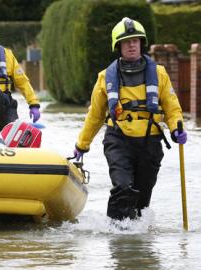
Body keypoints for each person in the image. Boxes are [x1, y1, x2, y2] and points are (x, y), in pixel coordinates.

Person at [73, 17, 187, 221]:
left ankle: (137, 246)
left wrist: (176, 128)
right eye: (127, 41)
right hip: (118, 140)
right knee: (123, 187)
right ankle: (116, 233)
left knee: (142, 202)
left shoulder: (159, 74)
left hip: (150, 141)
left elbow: (172, 108)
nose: (132, 45)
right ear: (118, 46)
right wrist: (82, 145)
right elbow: (95, 116)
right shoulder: (104, 78)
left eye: (136, 40)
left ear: (142, 43)